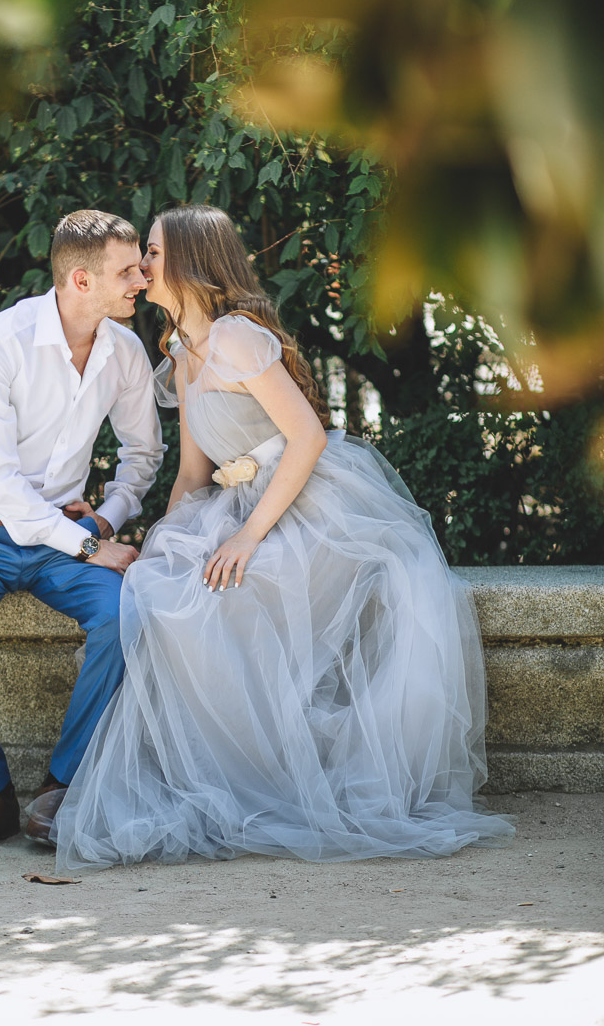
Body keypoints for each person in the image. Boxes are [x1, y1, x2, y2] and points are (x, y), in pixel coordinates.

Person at [37, 204, 514, 868]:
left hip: (310, 503)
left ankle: (275, 771)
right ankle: (217, 772)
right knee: (159, 590)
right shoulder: (181, 352)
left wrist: (247, 538)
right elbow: (192, 473)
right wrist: (164, 537)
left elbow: (308, 438)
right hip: (234, 505)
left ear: (194, 260)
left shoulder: (236, 337)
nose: (142, 266)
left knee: (230, 592)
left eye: (152, 251)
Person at [0, 209, 165, 852]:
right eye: (128, 270)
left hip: (65, 536)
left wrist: (106, 517)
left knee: (123, 618)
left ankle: (60, 788)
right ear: (80, 280)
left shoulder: (126, 351)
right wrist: (89, 545)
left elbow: (145, 454)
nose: (143, 279)